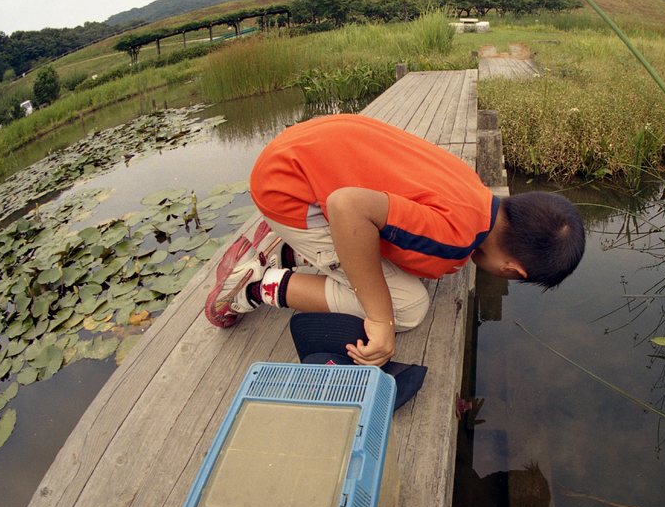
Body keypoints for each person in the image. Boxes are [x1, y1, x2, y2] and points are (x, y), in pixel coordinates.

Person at [205, 113, 585, 366]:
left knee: (392, 273)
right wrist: (380, 319)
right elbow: (346, 205)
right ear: (512, 270)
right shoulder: (455, 238)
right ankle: (254, 285)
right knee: (408, 307)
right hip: (288, 191)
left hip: (297, 151)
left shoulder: (474, 190)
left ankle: (290, 249)